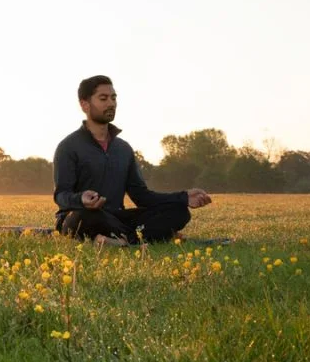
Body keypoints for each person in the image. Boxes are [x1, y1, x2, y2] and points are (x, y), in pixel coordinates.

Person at [53, 75, 211, 245]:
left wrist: (183, 197)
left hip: (116, 218)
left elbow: (142, 196)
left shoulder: (123, 149)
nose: (111, 103)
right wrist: (81, 199)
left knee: (179, 212)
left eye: (113, 98)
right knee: (82, 217)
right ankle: (146, 237)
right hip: (83, 217)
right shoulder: (68, 147)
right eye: (103, 98)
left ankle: (120, 240)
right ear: (85, 104)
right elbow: (61, 195)